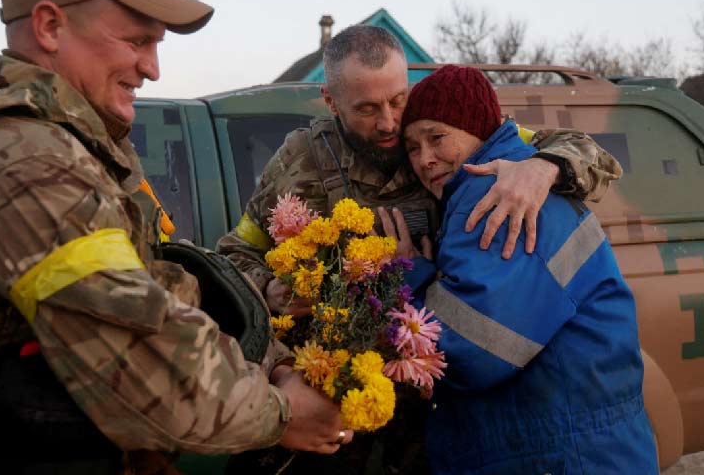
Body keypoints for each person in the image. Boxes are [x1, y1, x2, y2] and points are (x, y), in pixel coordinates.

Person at [0, 0, 352, 474]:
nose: (153, 68)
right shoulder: (22, 165)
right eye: (136, 41)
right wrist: (281, 412)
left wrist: (271, 363)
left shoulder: (70, 142)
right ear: (49, 26)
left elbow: (164, 282)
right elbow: (139, 352)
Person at [216, 26, 623, 473]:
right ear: (331, 102)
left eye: (396, 100)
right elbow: (235, 256)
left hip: (424, 418)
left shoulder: (444, 139)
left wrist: (544, 168)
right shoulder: (298, 160)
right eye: (368, 109)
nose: (389, 123)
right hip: (322, 409)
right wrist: (270, 290)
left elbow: (588, 153)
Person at [394, 64, 658, 474]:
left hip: (558, 456)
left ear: (478, 127)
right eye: (412, 147)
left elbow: (470, 353)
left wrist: (408, 275)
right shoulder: (513, 175)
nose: (426, 159)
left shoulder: (497, 195)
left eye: (437, 137)